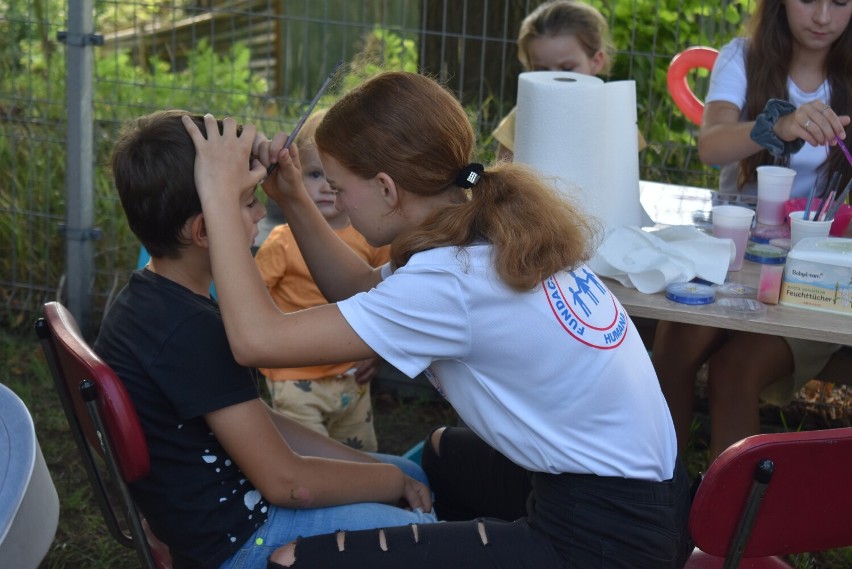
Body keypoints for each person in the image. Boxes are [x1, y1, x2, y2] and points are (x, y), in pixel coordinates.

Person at [183, 71, 692, 568]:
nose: (335, 202)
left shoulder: (451, 281)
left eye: (338, 189)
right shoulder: (482, 227)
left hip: (610, 538)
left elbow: (256, 341)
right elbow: (363, 290)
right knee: (440, 457)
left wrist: (220, 197)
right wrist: (294, 196)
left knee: (300, 561)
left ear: (387, 189)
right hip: (647, 495)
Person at [95, 110, 435, 569]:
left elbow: (264, 422)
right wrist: (389, 484)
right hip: (244, 541)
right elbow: (289, 483)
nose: (260, 212)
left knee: (412, 474)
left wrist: (383, 472)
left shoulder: (153, 299)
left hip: (233, 519)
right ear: (203, 229)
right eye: (247, 202)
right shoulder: (191, 332)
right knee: (429, 533)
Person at [652, 0, 852, 461]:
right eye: (808, 0)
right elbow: (711, 145)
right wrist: (777, 126)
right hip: (731, 257)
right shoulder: (741, 56)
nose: (823, 16)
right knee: (674, 344)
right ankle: (659, 504)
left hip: (815, 277)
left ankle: (727, 528)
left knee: (733, 372)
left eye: (840, 2)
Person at [255, 109, 388, 453]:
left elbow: (388, 301)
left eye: (337, 177)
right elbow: (252, 297)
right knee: (313, 460)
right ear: (295, 176)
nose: (327, 187)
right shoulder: (283, 241)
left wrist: (376, 351)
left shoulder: (373, 239)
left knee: (361, 457)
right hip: (294, 375)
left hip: (352, 376)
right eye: (315, 174)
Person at [492, 0, 645, 162]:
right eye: (542, 70)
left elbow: (624, 169)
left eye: (567, 68)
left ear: (596, 62)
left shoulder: (615, 116)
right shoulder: (524, 115)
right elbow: (505, 172)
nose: (554, 79)